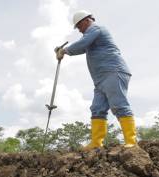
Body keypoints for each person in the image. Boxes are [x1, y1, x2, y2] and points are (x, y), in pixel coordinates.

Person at [55, 10, 136, 149]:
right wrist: (66, 51)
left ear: (86, 20)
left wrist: (65, 51)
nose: (79, 30)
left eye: (79, 27)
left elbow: (82, 43)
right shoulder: (90, 36)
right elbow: (81, 48)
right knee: (97, 109)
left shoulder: (96, 29)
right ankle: (96, 143)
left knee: (118, 105)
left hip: (113, 71)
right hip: (100, 79)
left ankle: (131, 142)